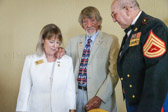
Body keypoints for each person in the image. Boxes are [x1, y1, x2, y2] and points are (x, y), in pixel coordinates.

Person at [56, 6, 119, 112]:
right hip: (76, 95)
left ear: (99, 21)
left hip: (99, 96)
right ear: (81, 24)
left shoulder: (111, 40)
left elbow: (114, 73)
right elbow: (63, 63)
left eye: (92, 20)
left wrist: (99, 97)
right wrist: (60, 51)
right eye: (85, 22)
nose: (89, 25)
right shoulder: (73, 41)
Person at [111, 0, 168, 112]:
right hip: (135, 101)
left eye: (114, 14)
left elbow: (157, 72)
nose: (113, 20)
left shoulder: (153, 27)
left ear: (127, 9)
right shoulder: (133, 31)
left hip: (150, 103)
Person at [16, 24, 76, 112]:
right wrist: (20, 110)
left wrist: (72, 108)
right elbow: (24, 90)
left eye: (57, 42)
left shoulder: (67, 61)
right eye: (51, 42)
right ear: (43, 40)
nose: (55, 46)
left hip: (61, 108)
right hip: (36, 108)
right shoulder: (31, 60)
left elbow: (70, 88)